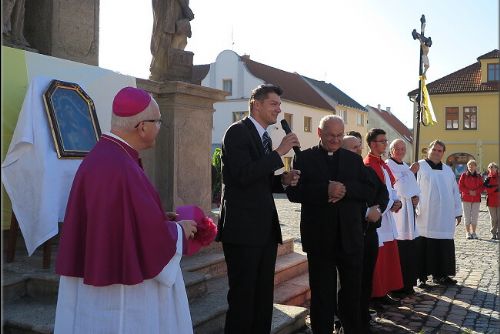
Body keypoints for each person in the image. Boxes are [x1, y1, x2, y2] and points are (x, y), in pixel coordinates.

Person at [54, 87, 198, 334]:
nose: (159, 127)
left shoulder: (107, 155)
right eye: (158, 121)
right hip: (122, 294)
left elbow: (124, 215)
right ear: (142, 127)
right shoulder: (120, 166)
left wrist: (160, 216)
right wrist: (178, 230)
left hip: (97, 278)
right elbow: (148, 236)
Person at [217, 84, 300, 334]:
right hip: (242, 231)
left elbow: (258, 181)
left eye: (279, 104)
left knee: (263, 299)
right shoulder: (237, 132)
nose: (279, 109)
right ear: (257, 104)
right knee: (243, 300)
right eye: (274, 104)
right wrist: (279, 153)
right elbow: (242, 176)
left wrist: (281, 180)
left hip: (264, 231)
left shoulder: (263, 136)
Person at [287, 115, 374, 334]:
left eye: (338, 136)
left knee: (352, 293)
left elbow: (370, 190)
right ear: (319, 133)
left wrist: (344, 190)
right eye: (330, 136)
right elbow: (293, 193)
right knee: (322, 295)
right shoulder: (304, 159)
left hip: (350, 237)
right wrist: (324, 190)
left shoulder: (354, 160)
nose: (335, 140)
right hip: (319, 238)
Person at [343, 135, 388, 333]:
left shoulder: (367, 170)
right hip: (347, 235)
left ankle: (363, 317)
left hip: (369, 234)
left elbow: (383, 192)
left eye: (359, 147)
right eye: (353, 148)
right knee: (348, 283)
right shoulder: (338, 172)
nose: (358, 151)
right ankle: (345, 320)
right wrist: (364, 212)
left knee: (366, 278)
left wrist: (378, 209)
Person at [363, 129, 404, 306]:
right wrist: (388, 204)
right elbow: (372, 194)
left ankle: (384, 291)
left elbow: (390, 188)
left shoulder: (382, 164)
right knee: (376, 259)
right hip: (378, 217)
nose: (386, 144)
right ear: (372, 144)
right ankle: (375, 294)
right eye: (383, 141)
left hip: (387, 216)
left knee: (387, 255)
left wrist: (397, 202)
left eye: (386, 141)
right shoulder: (368, 164)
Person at [415, 140, 462, 286]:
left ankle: (441, 275)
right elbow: (412, 187)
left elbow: (455, 192)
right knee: (424, 245)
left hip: (444, 216)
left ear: (443, 153)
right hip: (425, 215)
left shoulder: (448, 170)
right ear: (428, 150)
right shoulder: (419, 166)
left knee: (443, 245)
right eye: (434, 149)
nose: (436, 152)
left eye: (440, 151)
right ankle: (421, 277)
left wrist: (457, 211)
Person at [386, 139, 421, 296]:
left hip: (409, 212)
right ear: (391, 150)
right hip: (398, 213)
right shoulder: (388, 165)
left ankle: (408, 283)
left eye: (403, 149)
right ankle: (397, 287)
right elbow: (399, 187)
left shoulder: (406, 166)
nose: (400, 151)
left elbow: (414, 188)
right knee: (400, 250)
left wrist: (416, 197)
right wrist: (411, 173)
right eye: (397, 149)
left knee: (410, 250)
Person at [150, 0, 194, 81]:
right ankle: (160, 72)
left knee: (180, 39)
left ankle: (171, 71)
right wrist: (185, 8)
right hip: (168, 9)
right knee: (166, 38)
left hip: (177, 13)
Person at [458, 159, 484, 239]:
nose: (471, 167)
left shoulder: (479, 176)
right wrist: (469, 191)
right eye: (469, 165)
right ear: (467, 166)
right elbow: (460, 186)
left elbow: (482, 187)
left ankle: (474, 232)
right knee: (467, 216)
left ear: (475, 167)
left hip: (476, 199)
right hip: (466, 198)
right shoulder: (463, 175)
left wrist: (476, 192)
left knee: (475, 216)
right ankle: (468, 232)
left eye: (473, 165)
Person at [484, 162, 500, 240]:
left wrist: (492, 188)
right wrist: (496, 188)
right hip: (491, 201)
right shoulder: (487, 178)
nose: (491, 168)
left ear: (496, 168)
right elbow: (487, 190)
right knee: (493, 219)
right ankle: (493, 233)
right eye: (489, 167)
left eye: (492, 167)